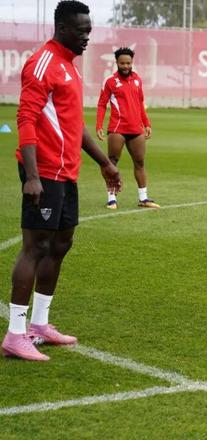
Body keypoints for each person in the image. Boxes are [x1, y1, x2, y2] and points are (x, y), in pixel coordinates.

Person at [2, 0, 122, 362]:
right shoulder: (42, 63)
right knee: (35, 246)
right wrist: (32, 177)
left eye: (90, 30)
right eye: (82, 31)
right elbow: (25, 117)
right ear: (62, 29)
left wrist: (104, 163)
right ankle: (15, 334)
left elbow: (75, 124)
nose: (87, 37)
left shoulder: (69, 66)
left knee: (61, 244)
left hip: (67, 172)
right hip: (44, 172)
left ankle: (39, 325)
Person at [96, 47, 157, 209]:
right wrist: (99, 125)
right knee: (112, 163)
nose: (126, 66)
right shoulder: (110, 81)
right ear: (116, 63)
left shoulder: (137, 80)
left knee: (140, 162)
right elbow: (102, 104)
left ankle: (143, 198)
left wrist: (147, 124)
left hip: (136, 129)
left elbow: (140, 104)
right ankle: (111, 198)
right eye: (122, 63)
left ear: (132, 63)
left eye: (128, 63)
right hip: (117, 129)